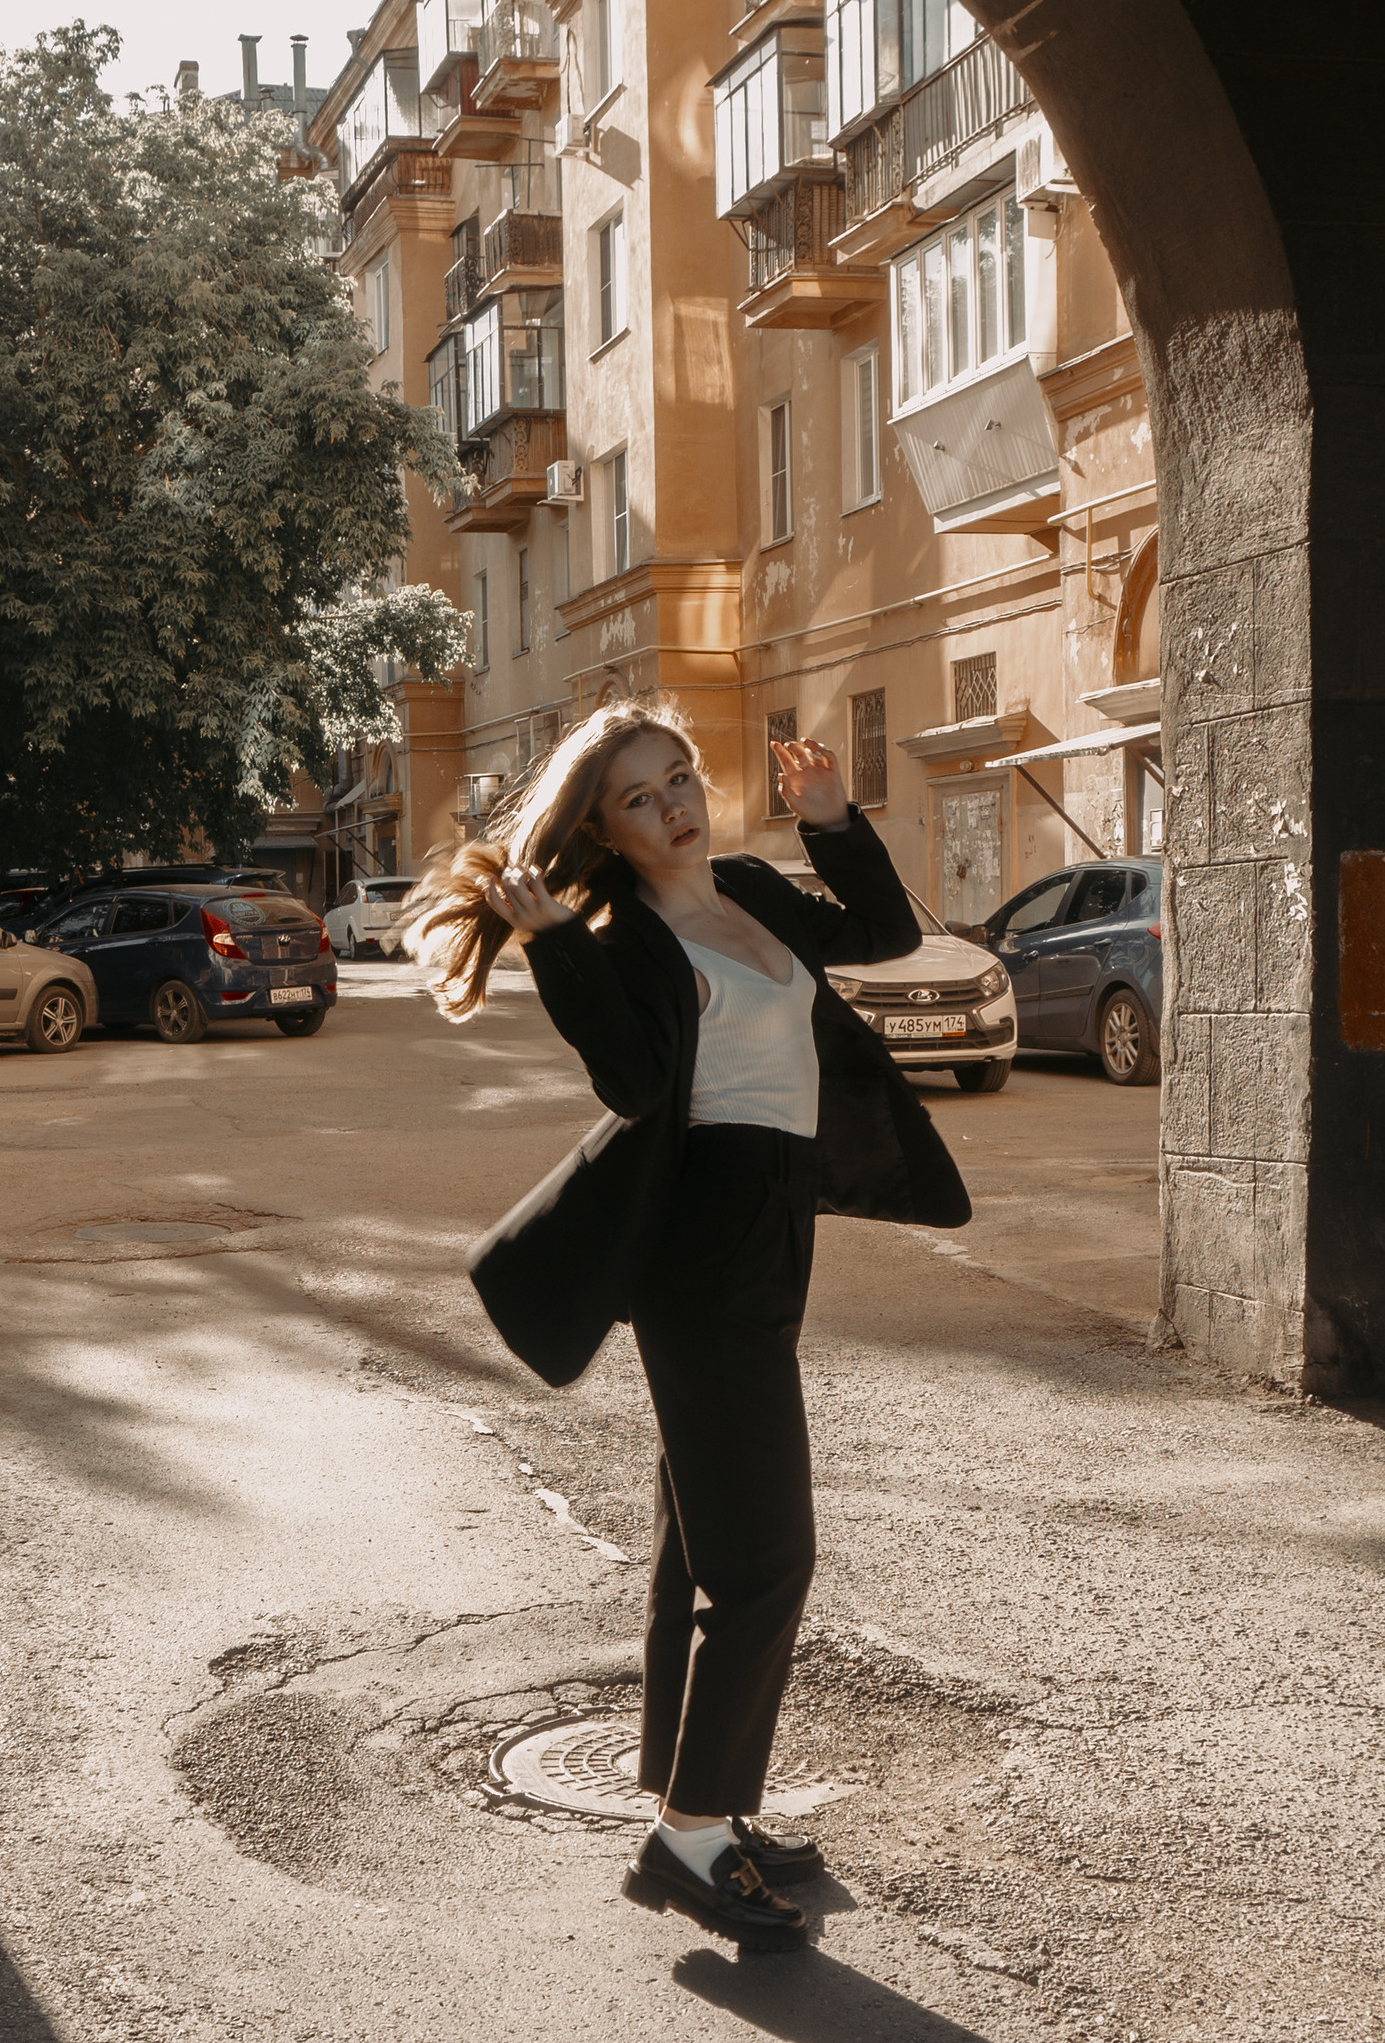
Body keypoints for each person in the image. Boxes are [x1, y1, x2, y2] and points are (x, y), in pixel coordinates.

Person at [413, 698, 970, 1953]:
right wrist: (556, 945)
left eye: (677, 776)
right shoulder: (621, 937)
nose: (672, 805)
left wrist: (831, 821)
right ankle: (690, 1832)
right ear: (602, 829)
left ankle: (696, 1796)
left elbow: (883, 934)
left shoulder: (753, 890)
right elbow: (631, 1081)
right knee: (767, 1558)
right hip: (703, 1248)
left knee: (698, 1548)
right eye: (638, 796)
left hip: (774, 1227)